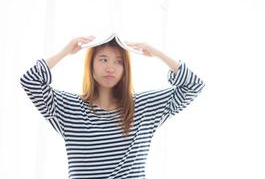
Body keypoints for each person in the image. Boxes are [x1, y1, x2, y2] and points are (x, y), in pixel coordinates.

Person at [20, 35, 205, 179]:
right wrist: (66, 51)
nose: (110, 68)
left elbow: (193, 85)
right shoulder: (69, 109)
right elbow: (30, 81)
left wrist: (156, 52)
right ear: (90, 65)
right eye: (103, 60)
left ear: (125, 69)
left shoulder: (144, 107)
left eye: (118, 62)